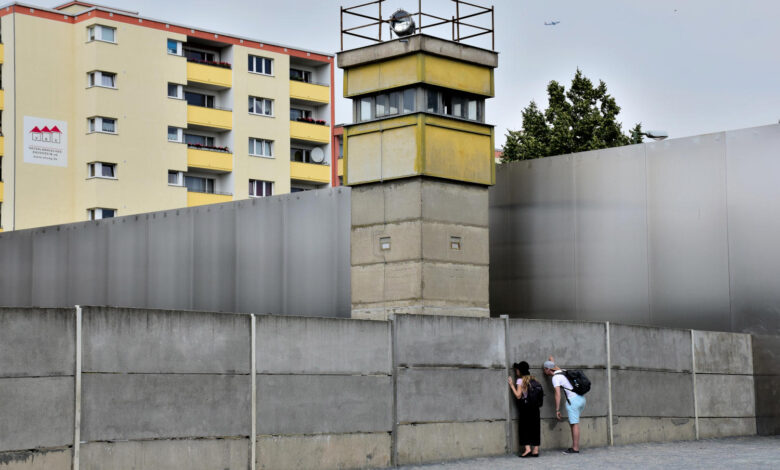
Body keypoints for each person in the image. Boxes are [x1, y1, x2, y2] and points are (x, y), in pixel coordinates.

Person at [543, 356, 585, 454]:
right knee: (574, 423)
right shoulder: (563, 371)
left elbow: (558, 394)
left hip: (573, 401)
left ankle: (575, 448)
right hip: (581, 398)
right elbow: (555, 367)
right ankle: (575, 447)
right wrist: (552, 361)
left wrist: (557, 410)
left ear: (548, 369)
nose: (544, 372)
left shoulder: (555, 378)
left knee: (574, 424)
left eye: (544, 369)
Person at [507, 361, 541, 457]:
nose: (516, 371)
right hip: (535, 408)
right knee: (535, 427)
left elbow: (518, 396)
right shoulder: (534, 379)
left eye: (517, 369)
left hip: (525, 408)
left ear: (520, 371)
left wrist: (511, 385)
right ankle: (536, 450)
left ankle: (527, 449)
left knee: (525, 428)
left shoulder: (520, 380)